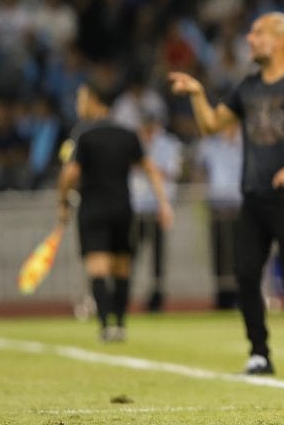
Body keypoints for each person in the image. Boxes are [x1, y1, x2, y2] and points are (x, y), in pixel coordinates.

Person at [169, 12, 284, 375]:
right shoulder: (247, 86)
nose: (250, 39)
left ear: (279, 40)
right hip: (254, 196)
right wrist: (198, 94)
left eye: (258, 33)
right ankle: (259, 351)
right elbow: (213, 124)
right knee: (245, 275)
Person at [56, 81, 174, 342]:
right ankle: (120, 324)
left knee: (98, 267)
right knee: (122, 267)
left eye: (82, 98)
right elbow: (151, 168)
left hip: (93, 208)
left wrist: (62, 202)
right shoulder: (127, 134)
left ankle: (105, 325)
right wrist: (164, 203)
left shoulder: (83, 135)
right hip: (123, 208)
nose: (79, 104)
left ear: (95, 100)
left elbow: (70, 174)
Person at [129, 111, 183, 312]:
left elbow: (171, 172)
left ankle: (157, 296)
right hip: (137, 206)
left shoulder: (168, 144)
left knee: (158, 258)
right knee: (131, 254)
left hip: (158, 206)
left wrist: (146, 168)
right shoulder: (134, 142)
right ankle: (124, 292)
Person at [194, 119, 243, 310]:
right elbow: (199, 171)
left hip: (241, 204)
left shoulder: (245, 143)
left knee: (242, 254)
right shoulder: (209, 144)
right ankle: (223, 297)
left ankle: (242, 294)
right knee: (220, 253)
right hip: (218, 204)